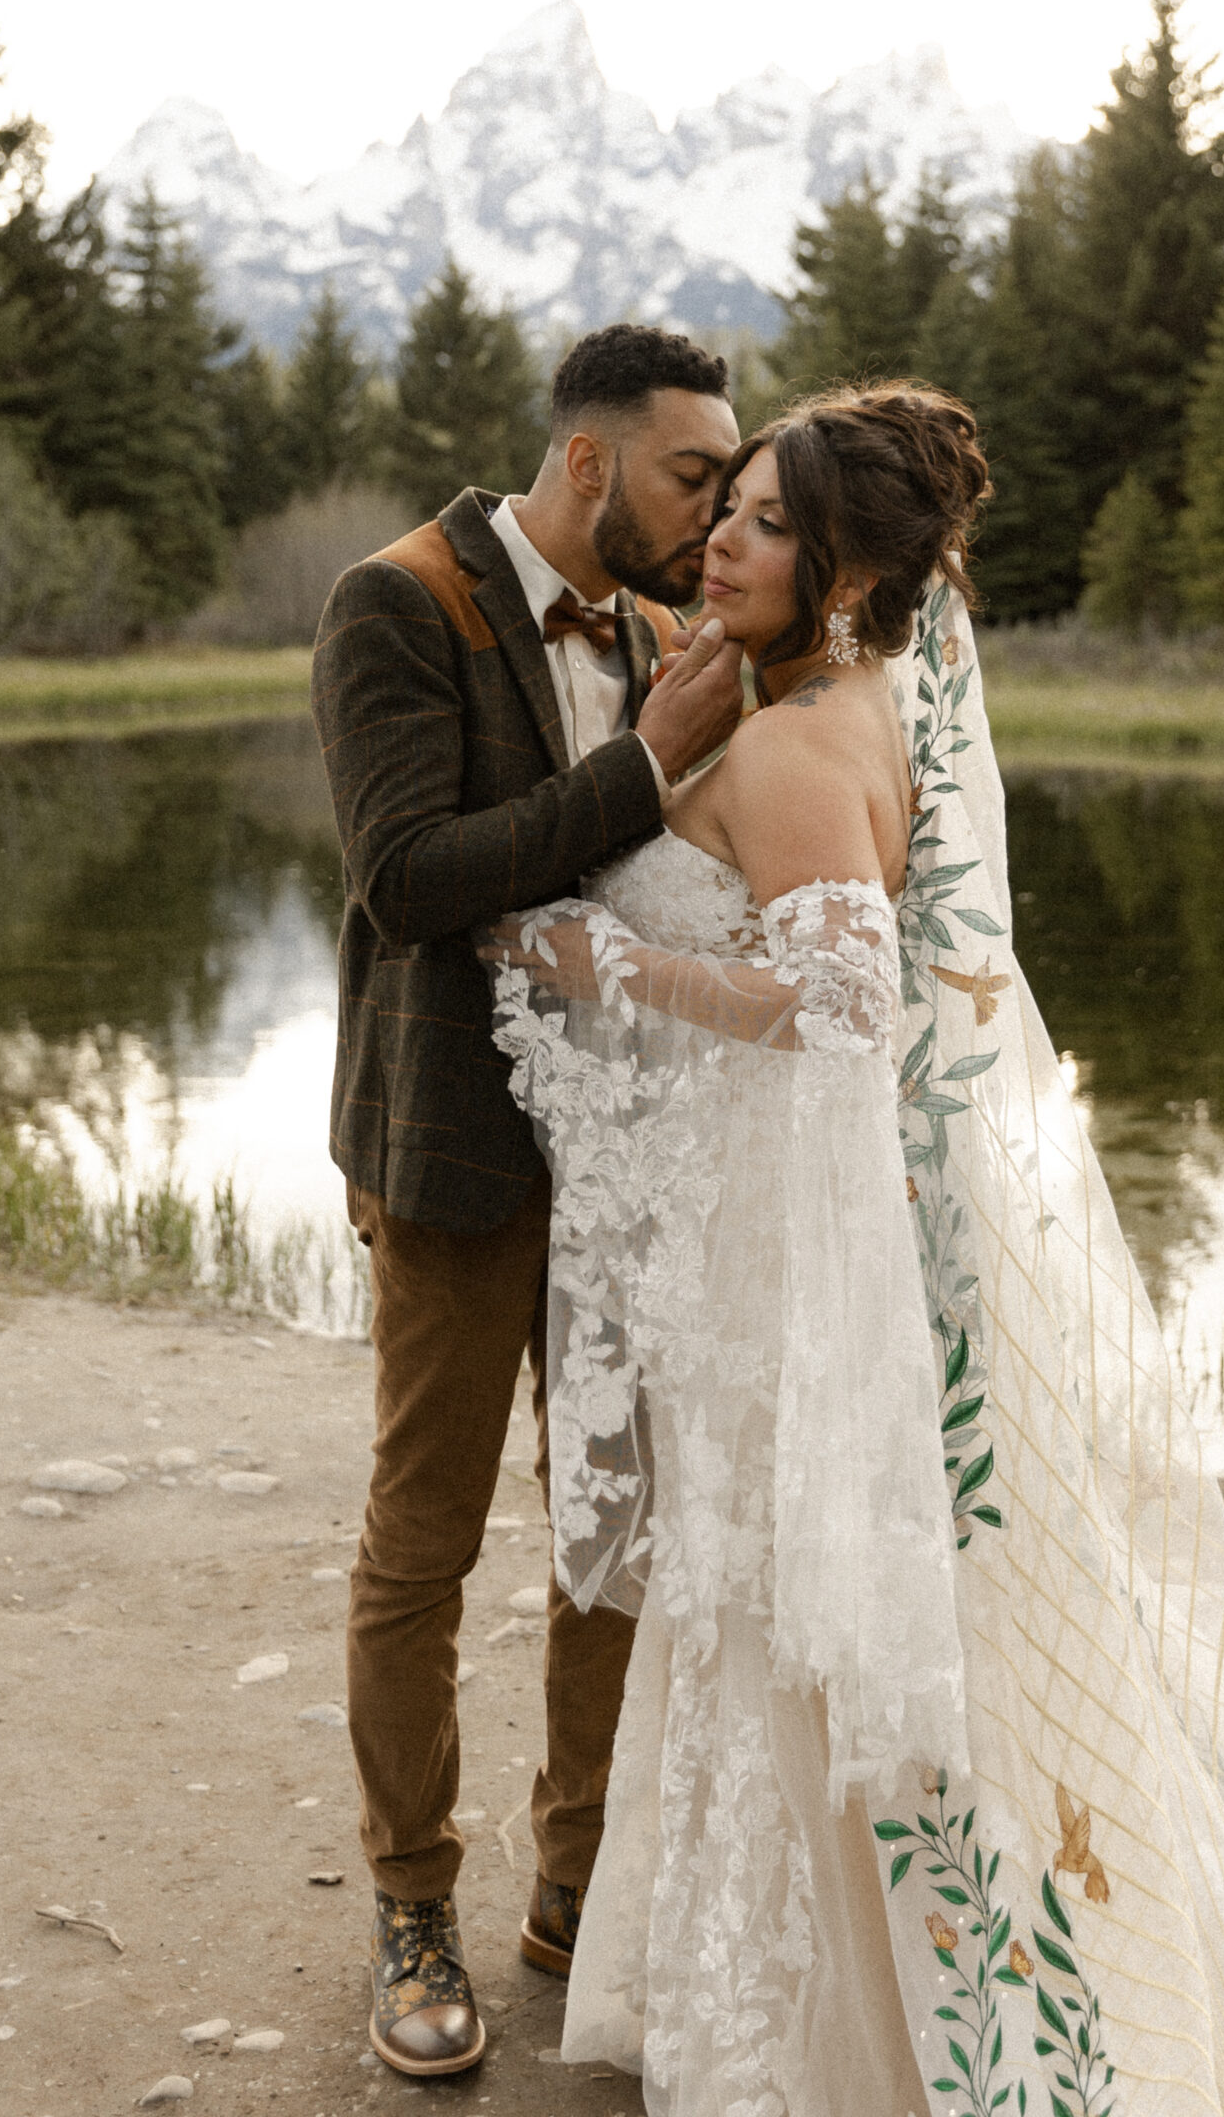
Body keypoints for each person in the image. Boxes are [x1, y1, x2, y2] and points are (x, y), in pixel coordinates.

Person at [483, 382, 1224, 2116]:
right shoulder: (849, 693)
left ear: (835, 572)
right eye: (722, 506)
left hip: (789, 1253)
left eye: (755, 521)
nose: (715, 542)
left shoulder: (807, 741)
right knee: (772, 1598)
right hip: (791, 1233)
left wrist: (602, 963)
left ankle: (867, 2035)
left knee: (788, 1598)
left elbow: (840, 997)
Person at [310, 323, 745, 2079]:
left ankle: (581, 1882)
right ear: (590, 463)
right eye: (692, 474)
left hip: (629, 1163)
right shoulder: (397, 600)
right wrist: (642, 768)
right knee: (423, 1545)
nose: (713, 512)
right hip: (454, 1153)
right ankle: (415, 1907)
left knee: (613, 1532)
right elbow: (407, 877)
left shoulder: (658, 635)